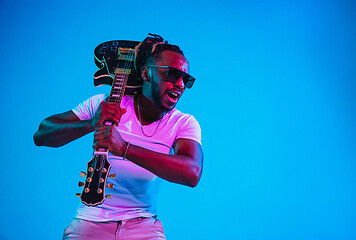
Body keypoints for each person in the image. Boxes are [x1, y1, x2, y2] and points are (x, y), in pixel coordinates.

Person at [33, 34, 203, 240]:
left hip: (143, 225)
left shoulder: (183, 123)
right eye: (173, 74)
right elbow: (41, 135)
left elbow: (192, 172)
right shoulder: (106, 104)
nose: (181, 84)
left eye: (186, 79)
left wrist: (124, 148)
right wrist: (90, 124)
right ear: (146, 73)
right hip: (89, 223)